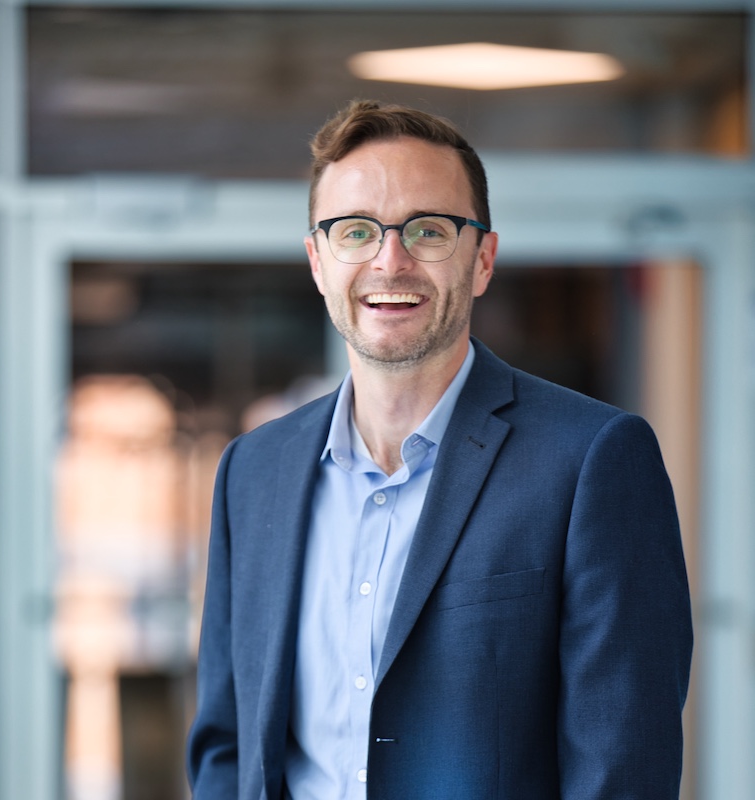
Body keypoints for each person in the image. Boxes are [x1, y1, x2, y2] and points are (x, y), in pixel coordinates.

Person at [186, 99, 693, 799]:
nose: (389, 261)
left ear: (482, 260)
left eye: (428, 230)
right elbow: (228, 742)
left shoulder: (591, 460)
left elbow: (623, 767)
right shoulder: (252, 471)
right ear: (317, 262)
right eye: (355, 231)